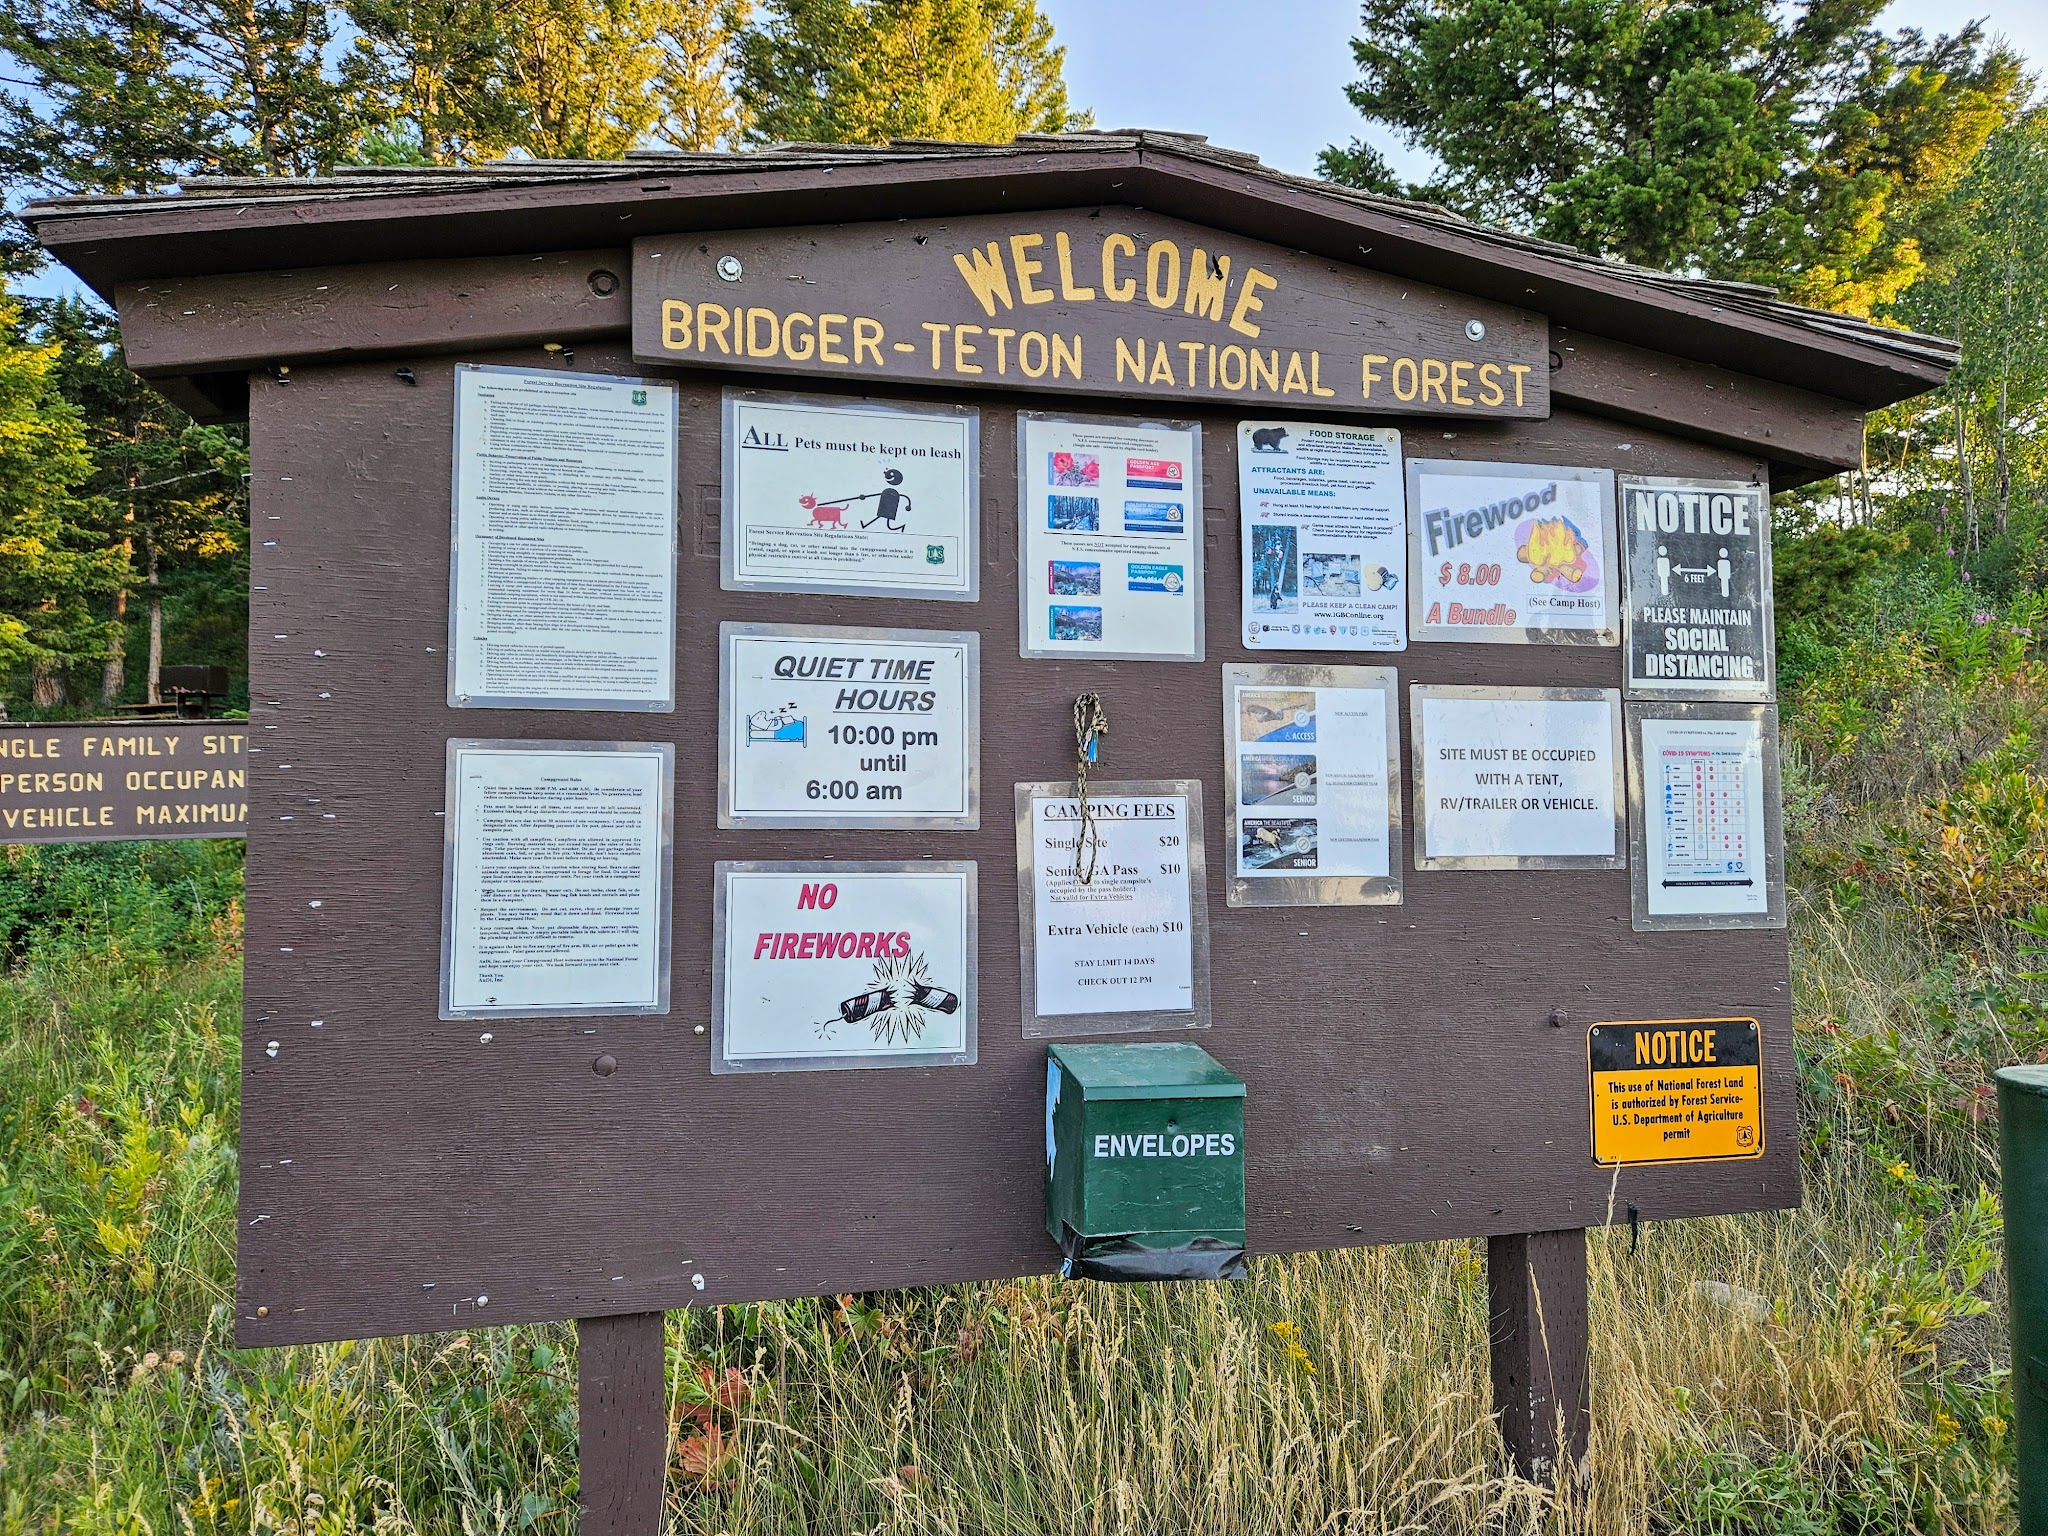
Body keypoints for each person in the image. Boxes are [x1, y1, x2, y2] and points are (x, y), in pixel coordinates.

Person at [822, 468, 913, 531]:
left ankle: (869, 525)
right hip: (886, 505)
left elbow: (905, 497)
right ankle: (868, 525)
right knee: (883, 519)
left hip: (890, 506)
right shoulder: (888, 493)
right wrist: (863, 497)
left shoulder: (893, 493)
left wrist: (908, 505)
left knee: (886, 521)